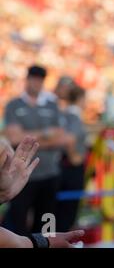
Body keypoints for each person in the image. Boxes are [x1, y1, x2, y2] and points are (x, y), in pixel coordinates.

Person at [2, 65, 73, 235]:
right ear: (27, 79)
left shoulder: (52, 104)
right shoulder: (14, 104)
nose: (36, 83)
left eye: (40, 80)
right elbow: (13, 138)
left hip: (49, 173)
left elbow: (61, 137)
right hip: (21, 175)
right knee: (18, 224)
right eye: (33, 79)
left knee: (47, 223)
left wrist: (28, 138)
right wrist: (47, 134)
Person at [0, 136, 85, 247]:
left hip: (48, 178)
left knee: (47, 218)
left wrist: (3, 195)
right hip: (29, 182)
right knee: (19, 220)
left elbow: (66, 140)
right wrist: (42, 242)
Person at [55, 85, 87, 232]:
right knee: (67, 213)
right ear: (80, 99)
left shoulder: (64, 114)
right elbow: (69, 140)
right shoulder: (74, 115)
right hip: (71, 168)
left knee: (59, 211)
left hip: (63, 167)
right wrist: (75, 158)